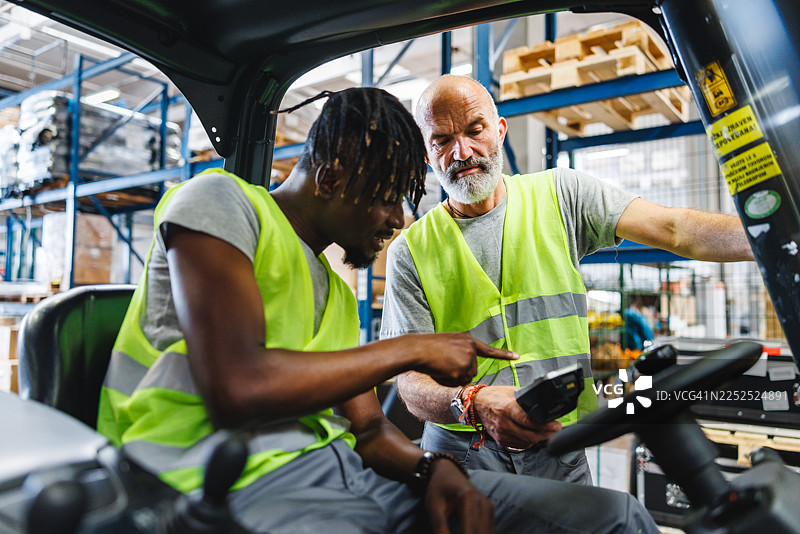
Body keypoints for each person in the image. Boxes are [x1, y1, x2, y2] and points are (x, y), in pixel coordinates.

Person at [96, 87, 658, 534]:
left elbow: (368, 432)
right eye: (389, 197)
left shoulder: (336, 296)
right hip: (208, 481)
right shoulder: (220, 203)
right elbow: (238, 388)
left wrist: (436, 469)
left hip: (347, 479)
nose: (399, 221)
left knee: (616, 518)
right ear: (333, 176)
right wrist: (413, 348)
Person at [381, 74, 755, 485]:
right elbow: (409, 382)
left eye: (475, 130)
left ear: (500, 129)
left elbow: (674, 229)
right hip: (461, 459)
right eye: (442, 140)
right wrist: (469, 403)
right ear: (426, 151)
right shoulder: (410, 251)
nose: (463, 152)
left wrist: (772, 235)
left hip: (560, 448)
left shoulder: (561, 195)